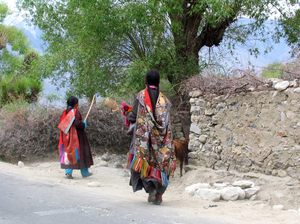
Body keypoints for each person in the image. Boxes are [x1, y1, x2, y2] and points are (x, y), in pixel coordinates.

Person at [125, 70, 175, 205]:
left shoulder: (140, 96)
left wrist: (128, 114)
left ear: (145, 81)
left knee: (142, 162)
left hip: (145, 139)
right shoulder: (165, 100)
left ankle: (150, 187)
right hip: (163, 140)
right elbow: (166, 120)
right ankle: (159, 195)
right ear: (159, 81)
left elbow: (133, 115)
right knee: (162, 164)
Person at [58, 96, 94, 179]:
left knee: (68, 152)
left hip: (66, 137)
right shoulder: (75, 111)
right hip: (77, 137)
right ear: (75, 103)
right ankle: (85, 173)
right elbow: (77, 124)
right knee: (81, 152)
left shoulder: (65, 112)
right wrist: (83, 124)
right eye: (77, 102)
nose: (78, 104)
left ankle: (68, 173)